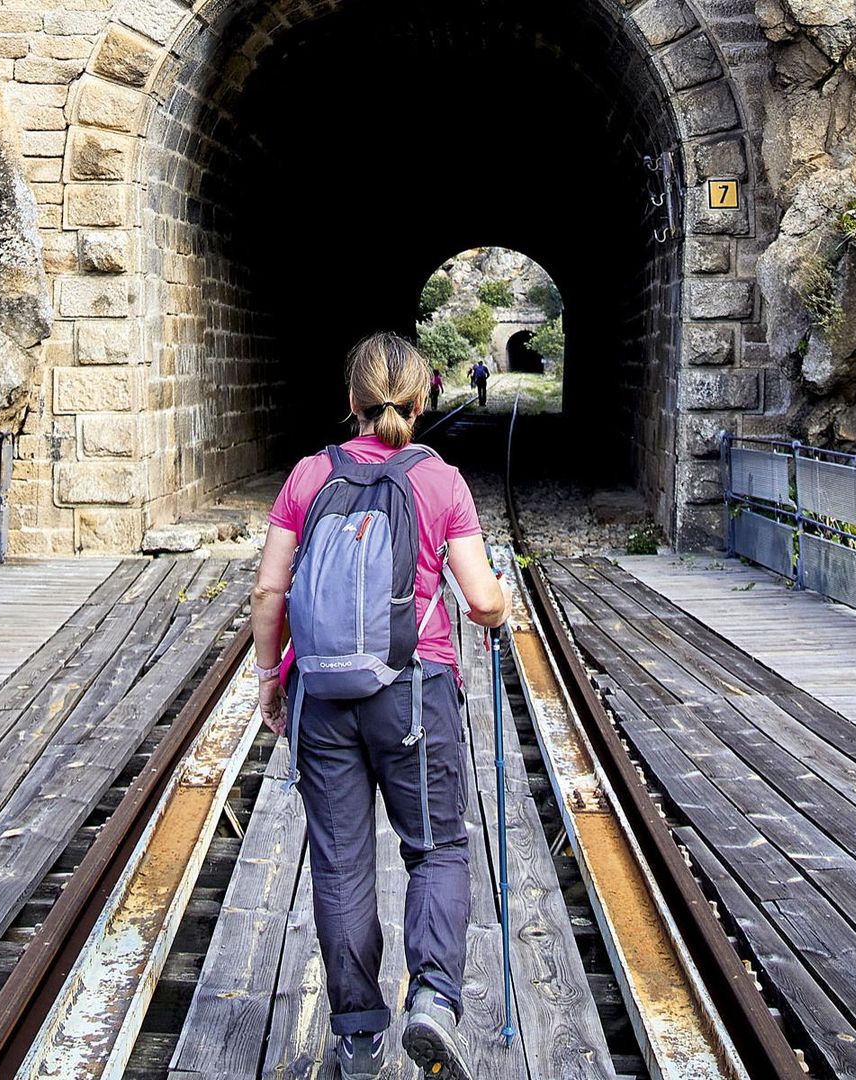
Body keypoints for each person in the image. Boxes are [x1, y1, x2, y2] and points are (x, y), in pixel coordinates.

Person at [251, 332, 512, 1080]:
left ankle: (358, 1032)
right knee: (435, 846)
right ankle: (431, 999)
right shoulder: (439, 481)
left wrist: (272, 674)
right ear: (424, 397)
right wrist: (495, 614)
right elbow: (483, 596)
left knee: (338, 861)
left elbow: (270, 590)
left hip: (322, 696)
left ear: (351, 401)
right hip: (413, 693)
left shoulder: (308, 475)